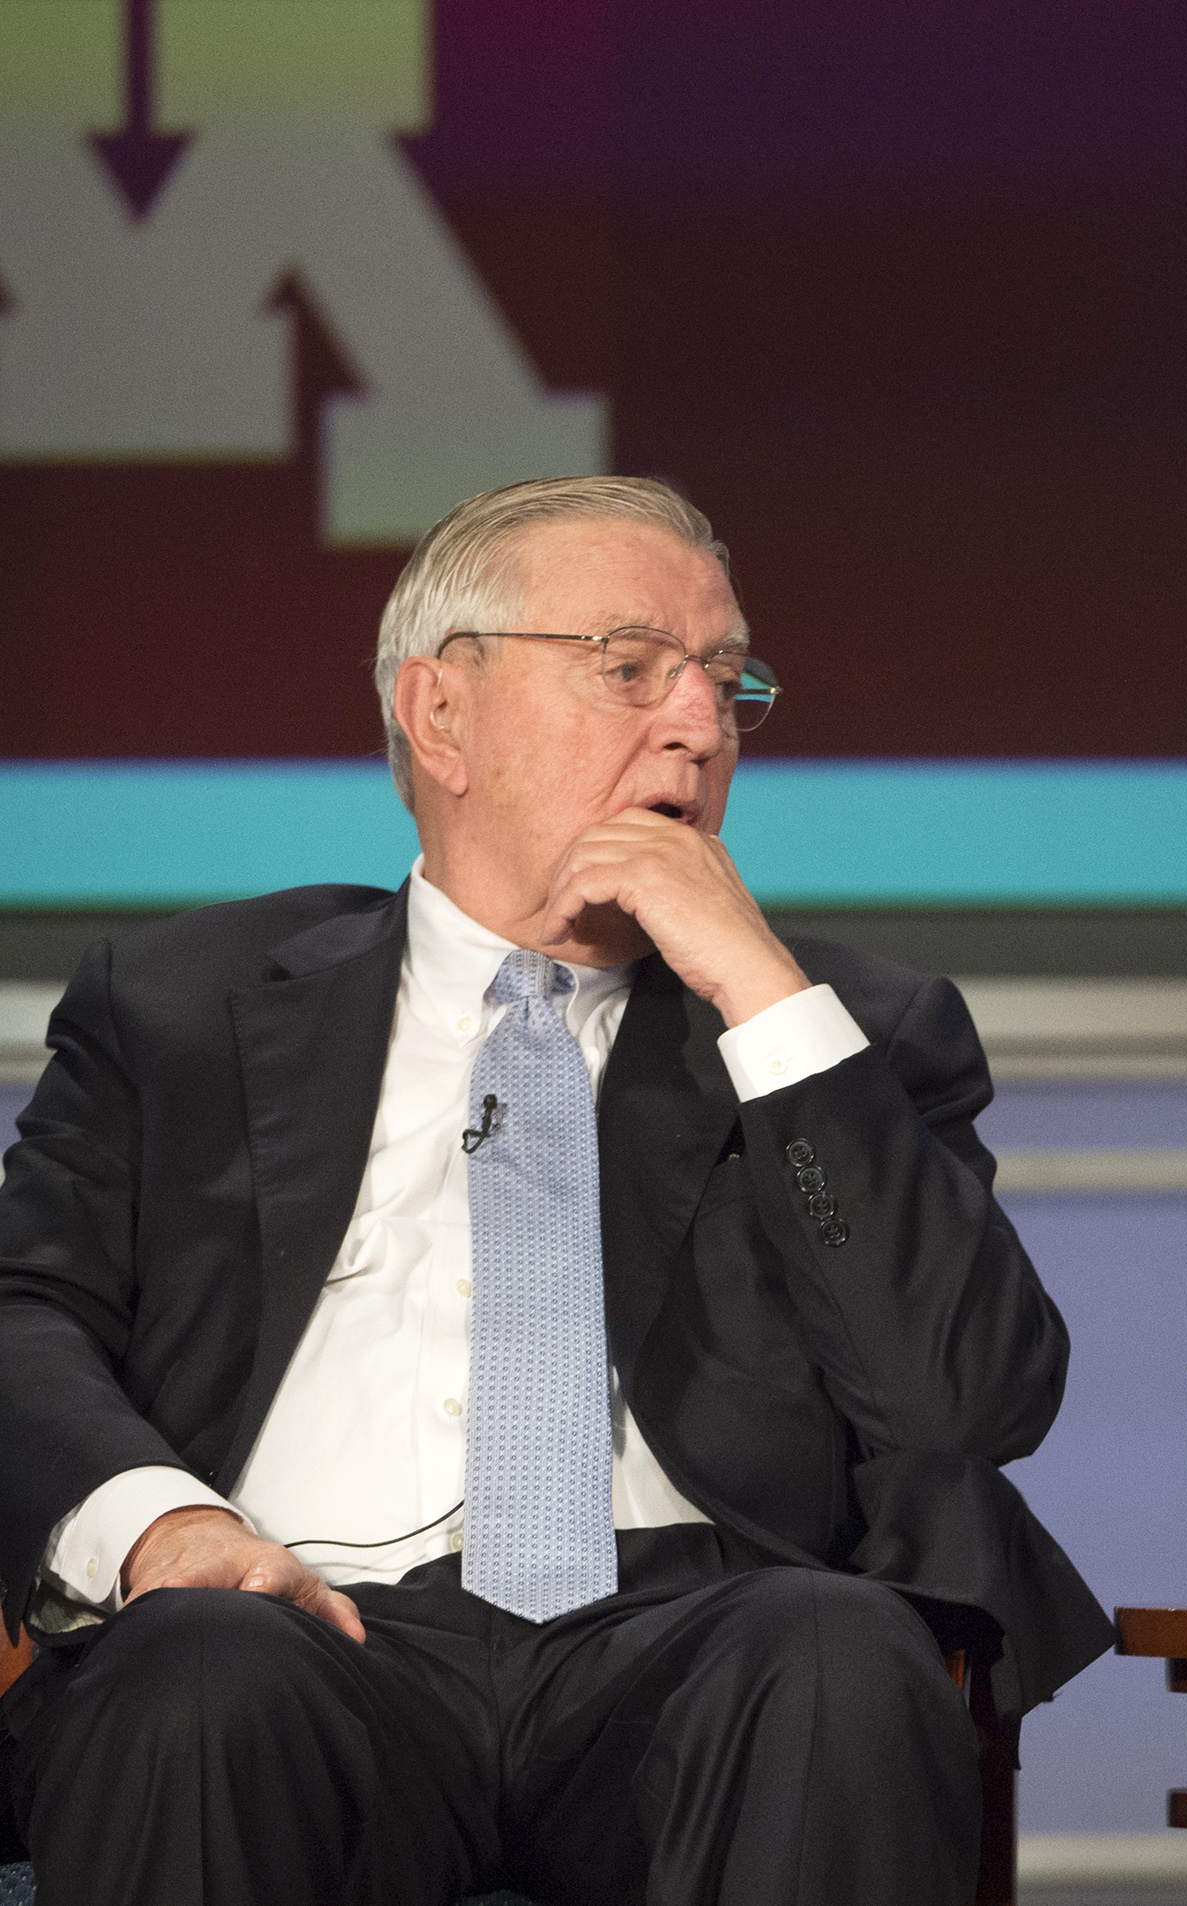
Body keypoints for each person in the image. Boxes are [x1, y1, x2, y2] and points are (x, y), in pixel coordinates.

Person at [0, 477, 1110, 1906]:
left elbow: (971, 1401)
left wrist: (763, 992)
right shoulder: (181, 1010)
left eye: (726, 681)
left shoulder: (839, 1036)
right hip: (306, 1629)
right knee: (197, 1671)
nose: (701, 723)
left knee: (837, 1654)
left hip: (695, 1645)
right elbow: (23, 1316)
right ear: (440, 712)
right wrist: (165, 1527)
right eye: (631, 668)